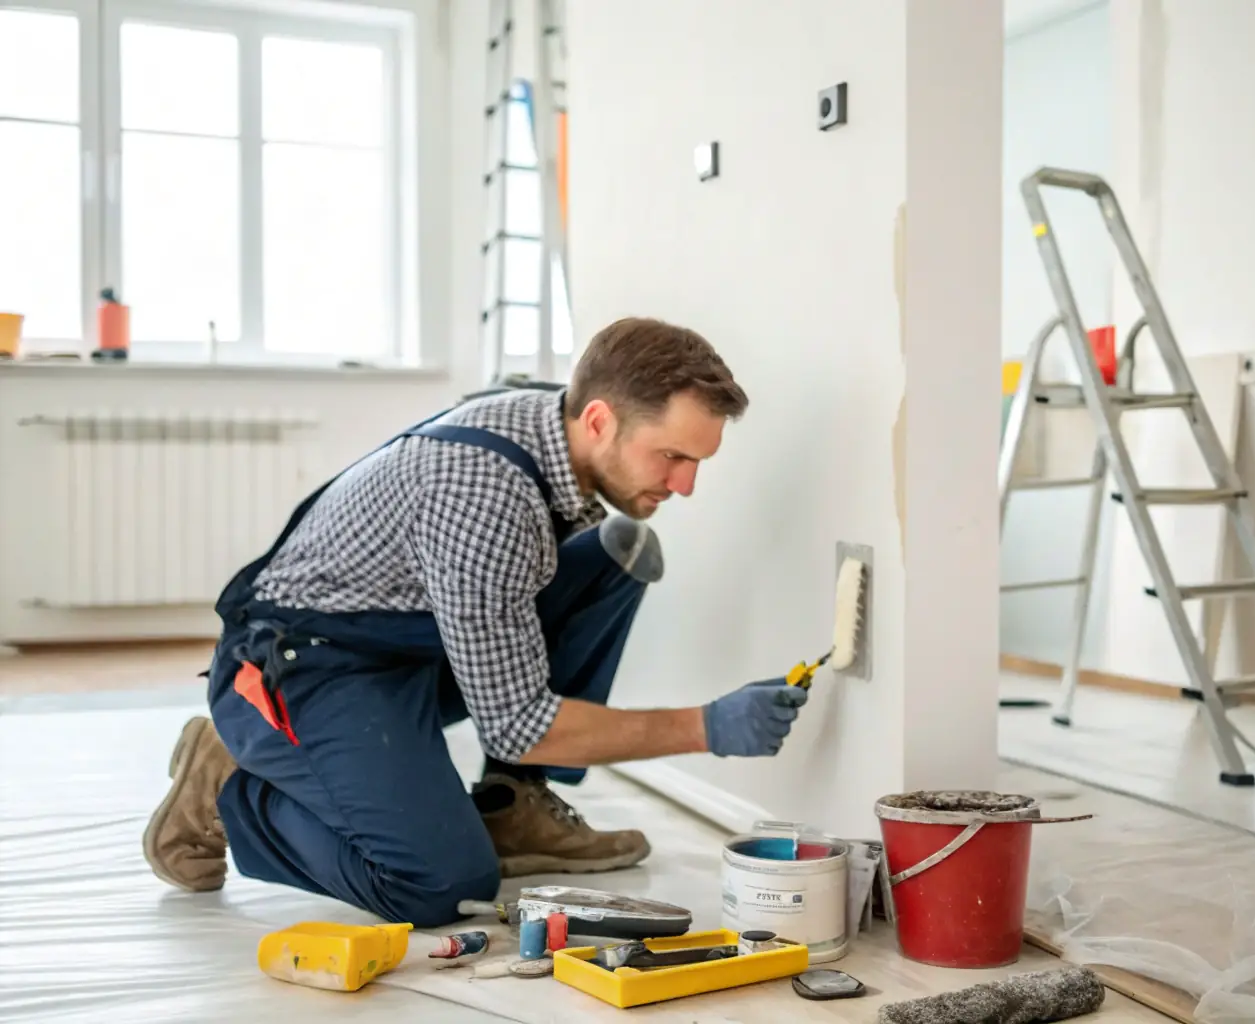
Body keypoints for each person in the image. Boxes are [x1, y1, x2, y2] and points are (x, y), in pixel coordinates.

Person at [142, 317, 808, 927]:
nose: (685, 485)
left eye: (697, 462)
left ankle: (509, 804)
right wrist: (705, 727)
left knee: (617, 554)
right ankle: (229, 787)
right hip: (308, 670)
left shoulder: (552, 423)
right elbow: (519, 725)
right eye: (672, 457)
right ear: (600, 420)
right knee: (440, 884)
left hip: (403, 644)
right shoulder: (482, 496)